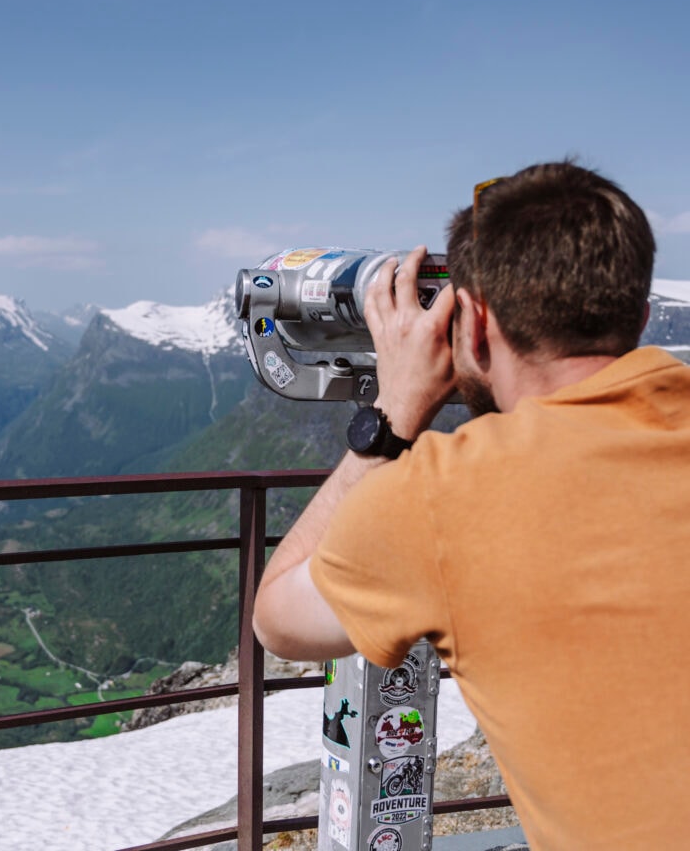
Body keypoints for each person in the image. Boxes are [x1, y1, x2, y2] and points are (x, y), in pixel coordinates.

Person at [252, 161, 690, 850]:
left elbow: (277, 620)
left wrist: (394, 411)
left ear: (475, 324)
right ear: (637, 317)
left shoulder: (443, 495)